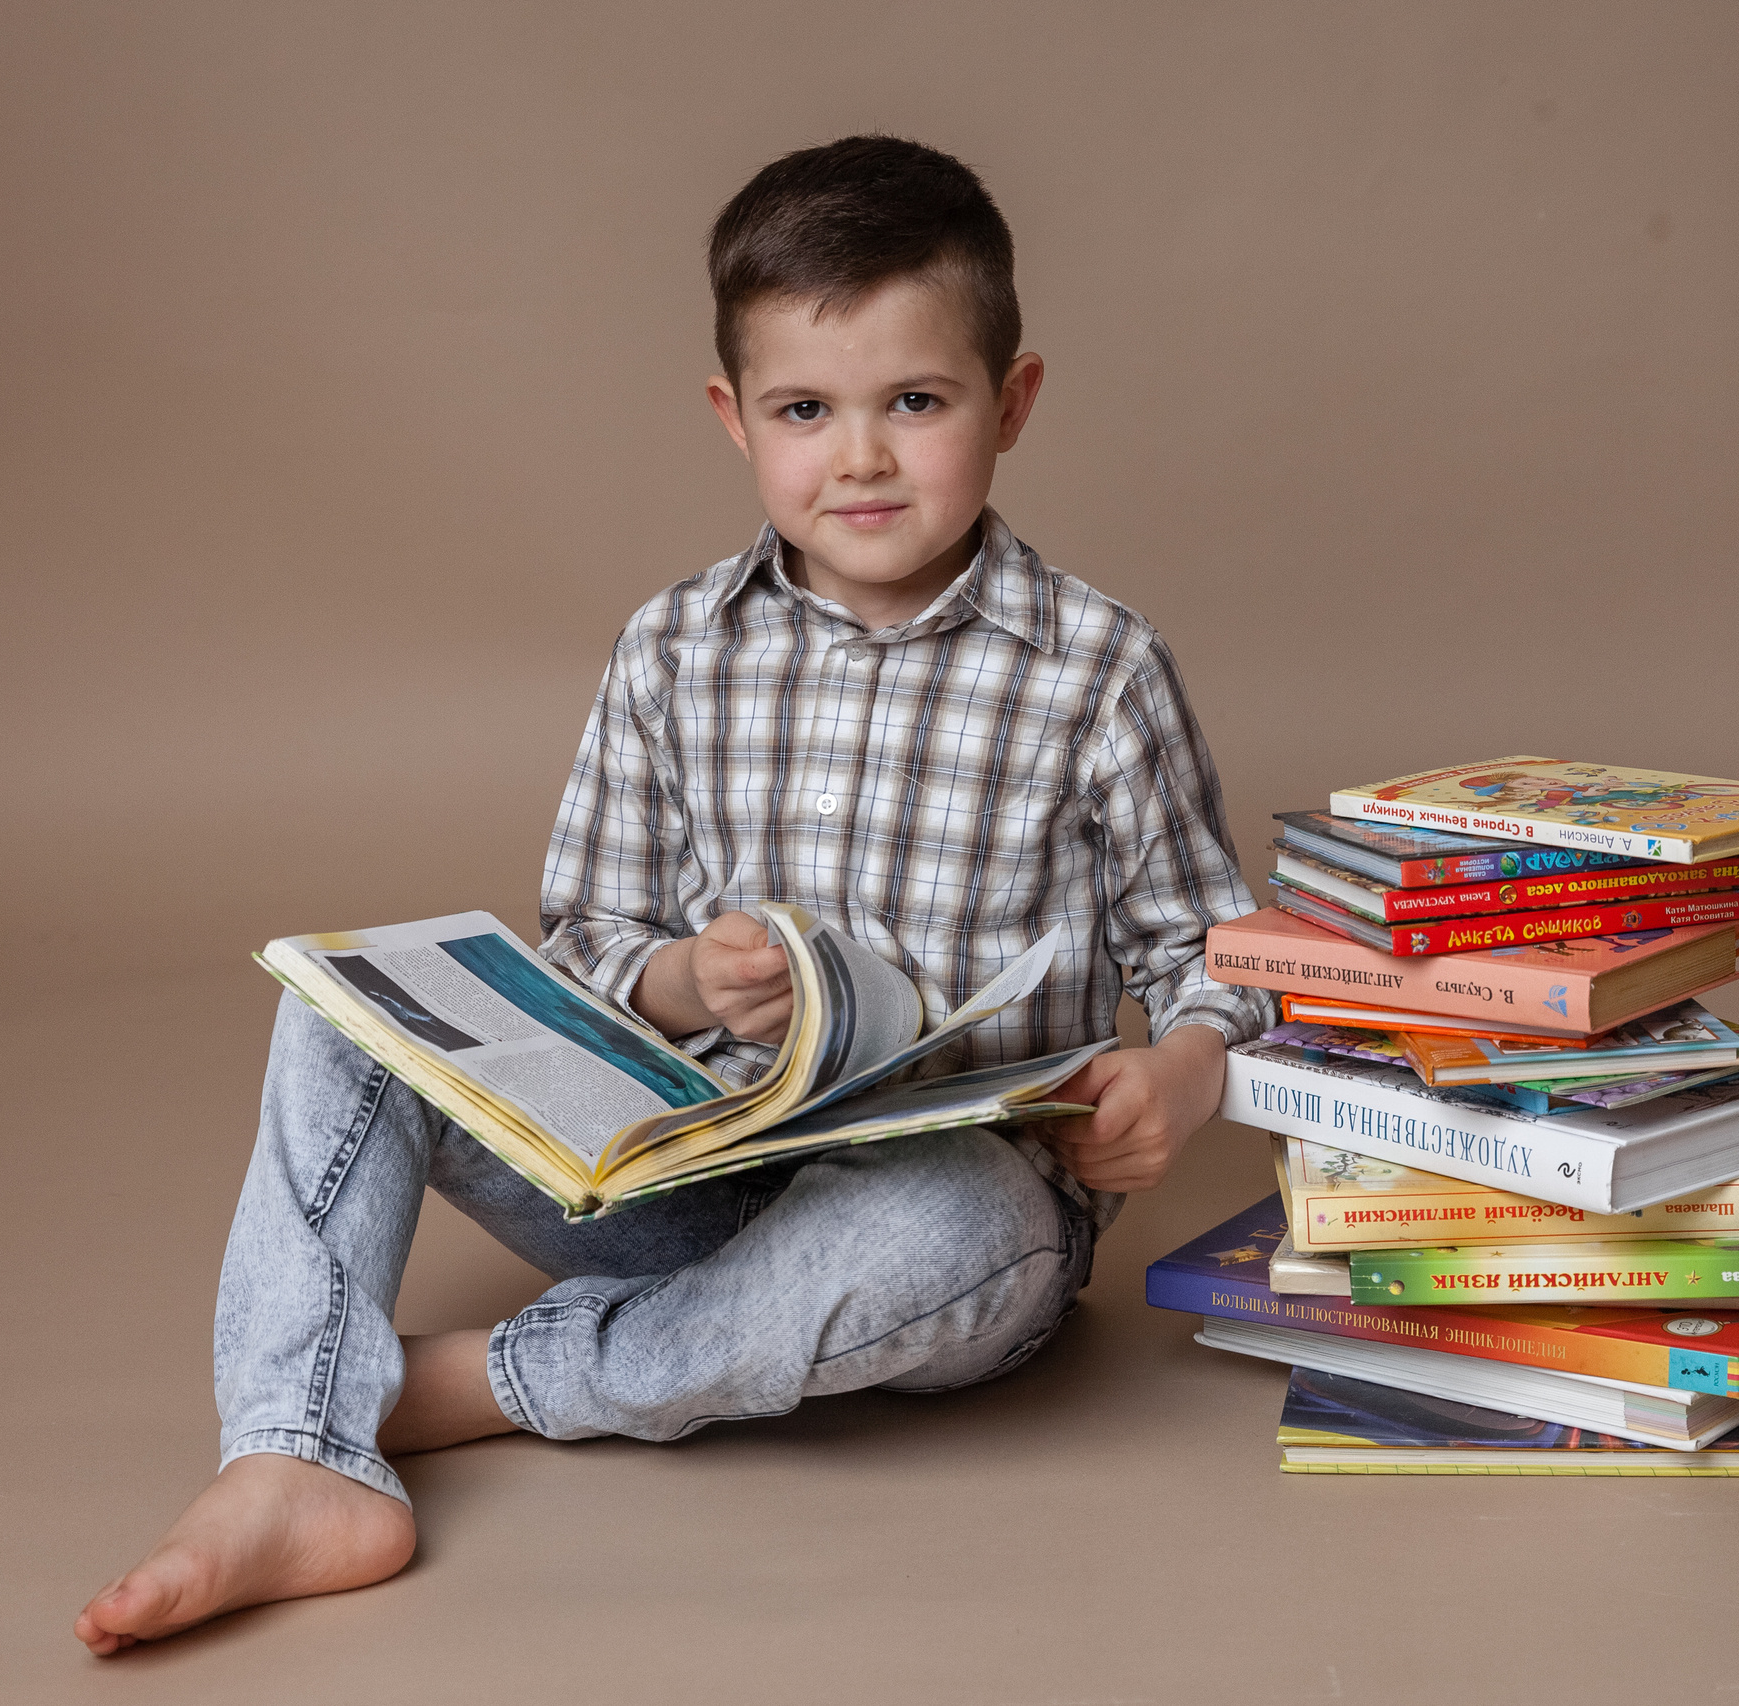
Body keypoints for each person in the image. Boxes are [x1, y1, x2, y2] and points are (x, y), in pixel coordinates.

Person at [75, 135, 1270, 1655]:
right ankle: (295, 1450)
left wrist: (1182, 1065)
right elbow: (586, 938)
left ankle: (473, 1381)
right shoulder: (672, 649)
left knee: (935, 1230)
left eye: (916, 400)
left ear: (1011, 402)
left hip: (950, 1205)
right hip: (682, 1166)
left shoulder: (1097, 669)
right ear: (734, 420)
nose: (861, 457)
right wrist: (689, 986)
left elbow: (1215, 951)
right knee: (344, 1015)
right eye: (805, 411)